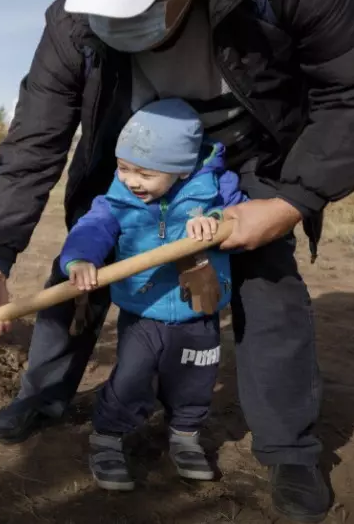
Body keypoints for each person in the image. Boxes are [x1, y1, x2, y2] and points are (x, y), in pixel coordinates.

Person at [0, 0, 354, 522]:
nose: (116, 20)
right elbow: (37, 132)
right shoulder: (76, 14)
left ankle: (289, 449)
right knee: (80, 267)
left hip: (243, 154)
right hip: (133, 151)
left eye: (138, 1)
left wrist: (291, 199)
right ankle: (44, 395)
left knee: (266, 275)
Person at [59, 98, 245, 490]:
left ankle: (185, 436)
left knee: (196, 380)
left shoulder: (215, 190)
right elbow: (93, 227)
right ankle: (107, 437)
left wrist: (217, 222)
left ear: (180, 169)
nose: (131, 181)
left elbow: (243, 218)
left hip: (200, 310)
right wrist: (79, 259)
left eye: (143, 173)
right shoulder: (119, 199)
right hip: (142, 310)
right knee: (131, 377)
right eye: (124, 168)